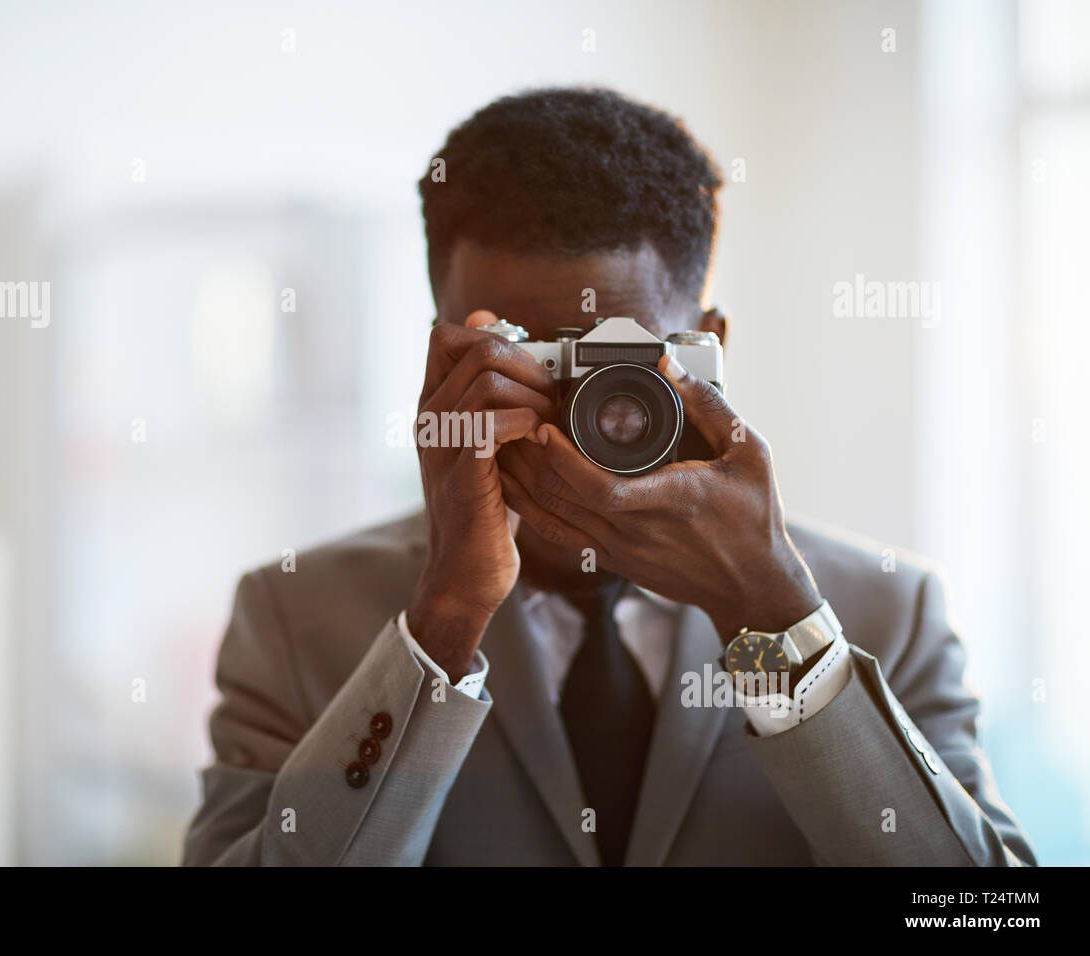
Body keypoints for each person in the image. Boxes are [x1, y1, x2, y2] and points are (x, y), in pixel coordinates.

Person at [182, 88, 1034, 866]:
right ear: (443, 355)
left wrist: (779, 624)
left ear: (709, 351)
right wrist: (443, 616)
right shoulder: (295, 619)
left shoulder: (886, 613)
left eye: (617, 368)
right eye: (526, 363)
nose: (574, 423)